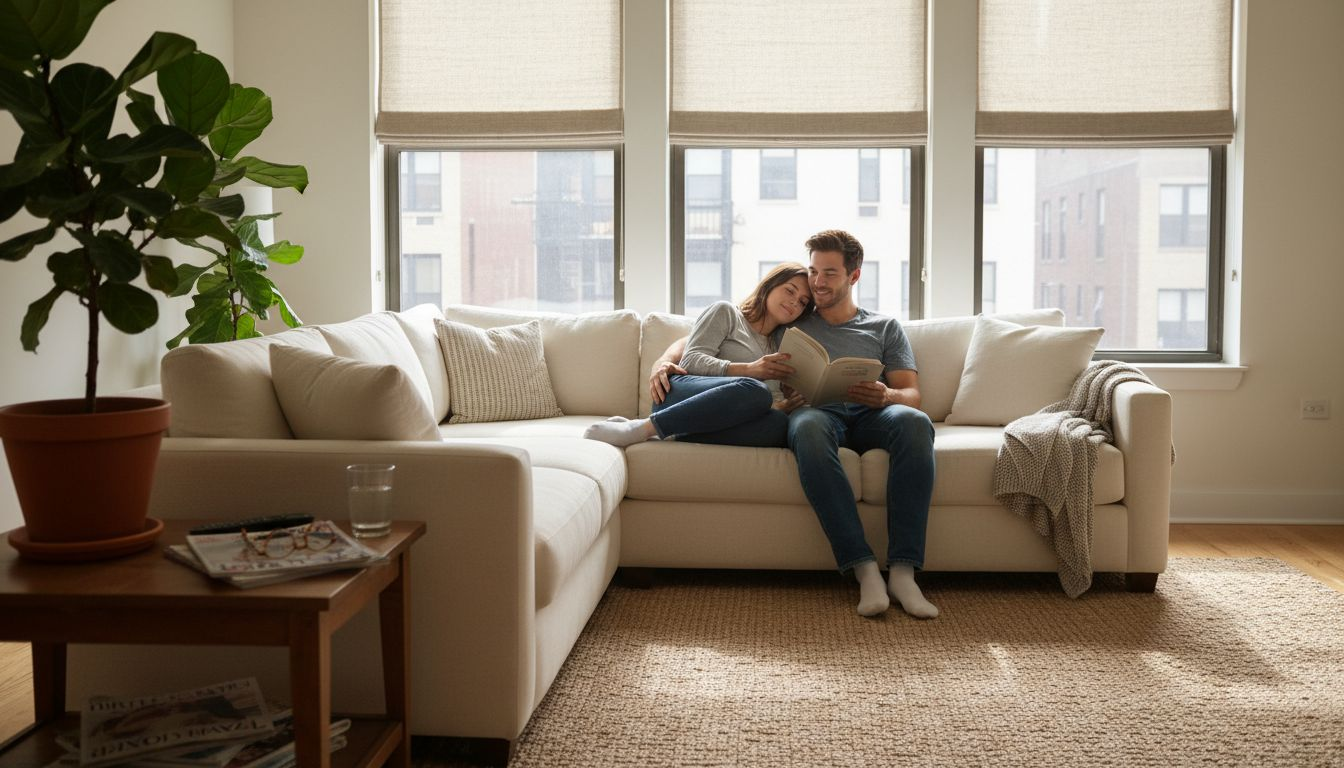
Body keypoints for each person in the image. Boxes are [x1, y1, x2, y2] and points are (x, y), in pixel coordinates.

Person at [646, 231, 938, 620]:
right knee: (806, 428)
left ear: (854, 276)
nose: (817, 282)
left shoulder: (884, 327)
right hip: (818, 412)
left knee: (915, 422)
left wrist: (887, 396)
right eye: (814, 271)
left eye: (829, 273)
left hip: (873, 413)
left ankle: (903, 572)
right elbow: (706, 336)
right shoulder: (793, 320)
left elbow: (912, 394)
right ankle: (863, 567)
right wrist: (663, 359)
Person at [583, 263, 811, 448]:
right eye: (790, 290)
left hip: (708, 416)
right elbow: (691, 360)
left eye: (802, 302)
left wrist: (783, 404)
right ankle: (643, 428)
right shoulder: (727, 313)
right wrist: (749, 370)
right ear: (770, 285)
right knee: (756, 390)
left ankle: (673, 431)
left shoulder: (783, 345)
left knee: (778, 425)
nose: (795, 301)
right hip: (681, 396)